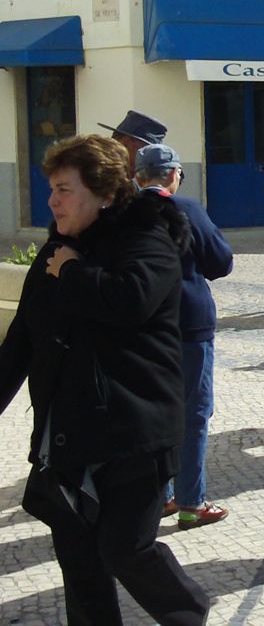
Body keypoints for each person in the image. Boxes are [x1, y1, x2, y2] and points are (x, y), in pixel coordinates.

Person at [0, 134, 209, 625]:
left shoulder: (149, 238)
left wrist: (73, 272)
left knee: (125, 548)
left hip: (136, 430)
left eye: (64, 189)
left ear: (106, 193)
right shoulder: (59, 249)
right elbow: (23, 341)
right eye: (50, 188)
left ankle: (189, 614)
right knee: (79, 559)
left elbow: (129, 300)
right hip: (72, 433)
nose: (52, 200)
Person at [135, 144, 234, 531]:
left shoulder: (124, 213)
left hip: (142, 327)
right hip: (188, 324)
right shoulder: (186, 209)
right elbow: (221, 261)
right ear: (174, 174)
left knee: (152, 413)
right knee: (193, 414)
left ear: (138, 176)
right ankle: (191, 502)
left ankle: (157, 498)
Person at [98, 110, 168, 177]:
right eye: (145, 151)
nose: (150, 160)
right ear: (126, 142)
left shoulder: (136, 182)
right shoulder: (96, 170)